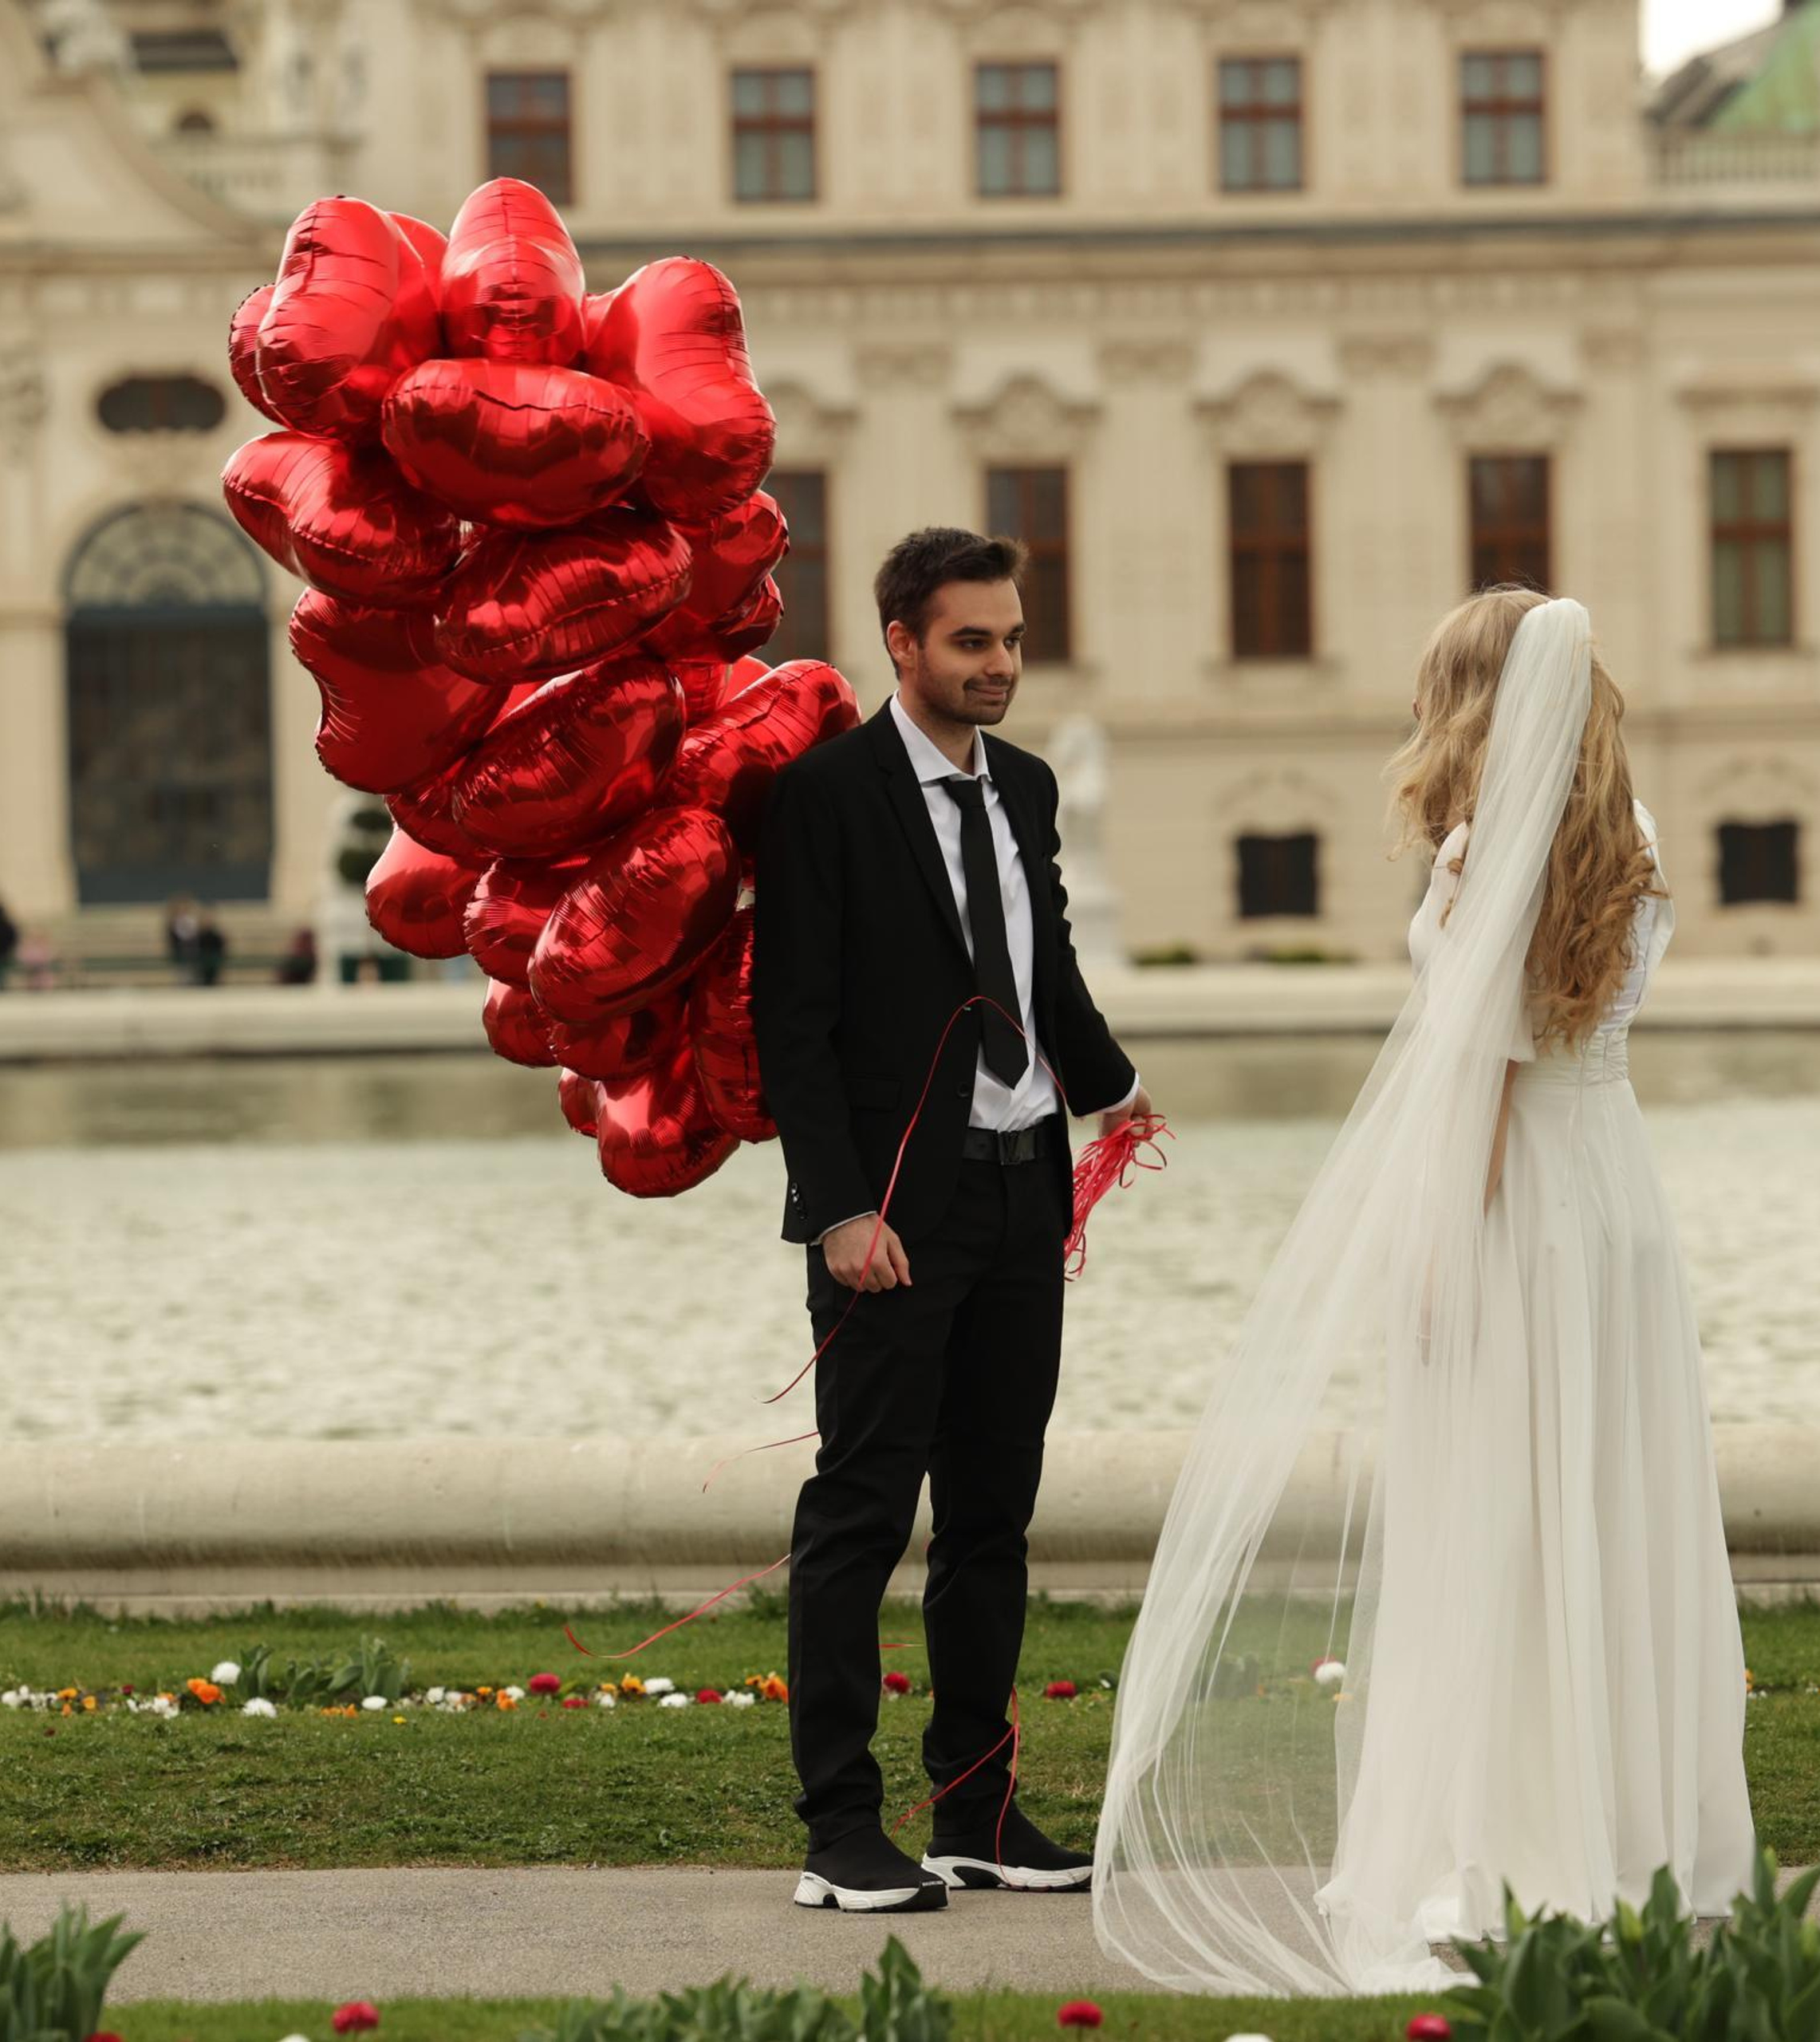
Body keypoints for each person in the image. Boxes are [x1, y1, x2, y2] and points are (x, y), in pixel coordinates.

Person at [1092, 591, 1755, 1995]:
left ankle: (1516, 1835)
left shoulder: (1476, 855)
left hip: (1519, 1207)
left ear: (1469, 698)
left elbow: (1488, 1082)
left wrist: (1440, 1251)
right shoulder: (1629, 842)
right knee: (1602, 1500)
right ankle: (1624, 1822)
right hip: (1617, 1200)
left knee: (1500, 1513)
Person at [752, 526, 1152, 1915]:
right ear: (902, 644)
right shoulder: (825, 800)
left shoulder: (1028, 790)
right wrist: (840, 1211)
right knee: (860, 1514)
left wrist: (1117, 1093)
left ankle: (974, 1809)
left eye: (1014, 639)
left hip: (1016, 1192)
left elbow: (1042, 970)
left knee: (993, 1515)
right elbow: (790, 1031)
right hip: (893, 1222)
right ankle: (840, 1829)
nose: (1001, 665)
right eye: (973, 641)